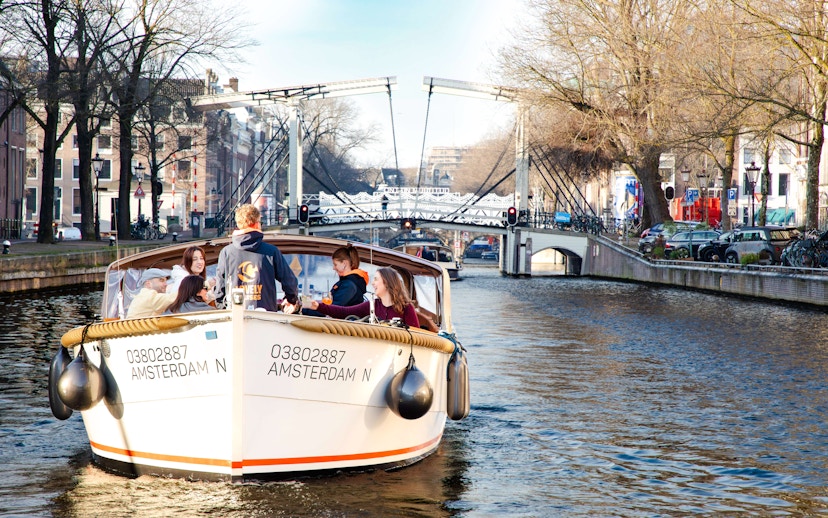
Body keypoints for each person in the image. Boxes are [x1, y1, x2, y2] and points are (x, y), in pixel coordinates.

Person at [215, 204, 299, 312]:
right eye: (260, 222)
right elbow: (289, 281)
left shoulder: (226, 253)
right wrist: (291, 300)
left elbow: (219, 288)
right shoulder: (271, 252)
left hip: (235, 314)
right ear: (256, 223)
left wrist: (223, 307)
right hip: (265, 315)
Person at [307, 267, 419, 328]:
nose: (372, 284)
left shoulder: (407, 308)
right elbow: (344, 312)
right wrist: (318, 306)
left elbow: (417, 337)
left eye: (375, 279)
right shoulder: (372, 305)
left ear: (387, 282)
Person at [302, 244, 369, 316]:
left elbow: (332, 309)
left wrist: (304, 310)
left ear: (344, 263)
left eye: (335, 264)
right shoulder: (350, 282)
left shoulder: (349, 285)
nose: (333, 268)